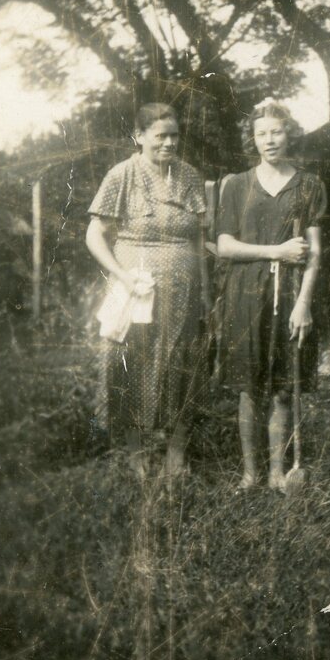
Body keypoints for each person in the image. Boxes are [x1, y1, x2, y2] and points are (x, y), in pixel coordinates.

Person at [86, 103, 208, 480]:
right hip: (134, 291)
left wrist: (205, 290)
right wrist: (121, 276)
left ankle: (176, 454)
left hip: (183, 293)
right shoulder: (122, 175)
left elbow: (199, 238)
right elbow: (94, 235)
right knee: (133, 366)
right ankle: (138, 454)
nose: (169, 143)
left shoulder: (189, 176)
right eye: (160, 136)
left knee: (181, 366)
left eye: (174, 135)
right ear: (139, 137)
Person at [216, 100, 326, 492]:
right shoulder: (236, 185)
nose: (269, 140)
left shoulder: (309, 184)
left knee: (283, 387)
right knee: (249, 388)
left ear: (288, 134)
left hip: (291, 293)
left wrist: (304, 304)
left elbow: (315, 253)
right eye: (261, 133)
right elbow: (225, 246)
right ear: (253, 139)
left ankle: (278, 473)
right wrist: (276, 251)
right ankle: (250, 475)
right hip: (245, 294)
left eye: (276, 131)